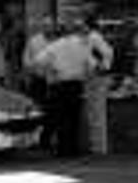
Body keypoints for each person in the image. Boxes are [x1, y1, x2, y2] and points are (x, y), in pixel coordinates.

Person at [35, 19, 97, 157]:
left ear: (59, 33)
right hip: (76, 85)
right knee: (74, 117)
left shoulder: (54, 46)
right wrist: (85, 74)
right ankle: (74, 149)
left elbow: (38, 61)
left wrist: (50, 70)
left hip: (59, 85)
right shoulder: (81, 45)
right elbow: (93, 65)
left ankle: (63, 149)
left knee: (61, 118)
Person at [22, 15, 54, 105]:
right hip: (38, 81)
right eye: (45, 25)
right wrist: (36, 66)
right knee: (38, 106)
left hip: (54, 82)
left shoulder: (57, 40)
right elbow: (26, 61)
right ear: (42, 26)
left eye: (50, 25)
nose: (48, 28)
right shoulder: (34, 41)